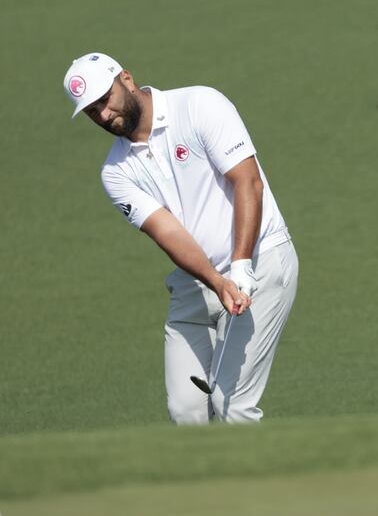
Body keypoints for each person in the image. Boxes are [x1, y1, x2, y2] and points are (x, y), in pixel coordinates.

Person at [63, 52, 299, 423]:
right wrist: (217, 280)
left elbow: (247, 182)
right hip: (199, 282)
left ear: (125, 78)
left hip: (260, 262)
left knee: (231, 406)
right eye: (92, 112)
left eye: (104, 100)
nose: (104, 116)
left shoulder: (199, 105)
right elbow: (169, 233)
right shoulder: (115, 173)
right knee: (186, 411)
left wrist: (239, 265)